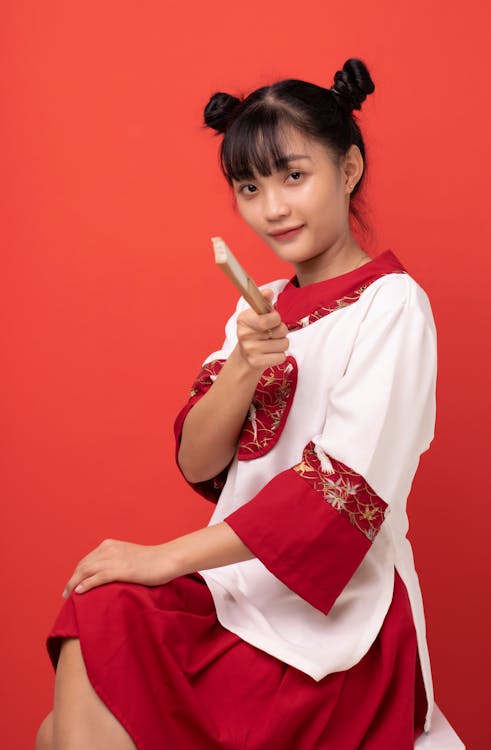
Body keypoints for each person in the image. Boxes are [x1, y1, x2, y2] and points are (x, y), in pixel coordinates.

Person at [37, 57, 436, 750]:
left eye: (293, 176)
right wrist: (244, 367)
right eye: (249, 187)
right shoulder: (263, 308)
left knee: (65, 723)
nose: (272, 208)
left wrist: (164, 558)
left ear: (348, 170)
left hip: (334, 616)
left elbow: (337, 497)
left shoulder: (392, 305)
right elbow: (199, 460)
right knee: (97, 616)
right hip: (238, 590)